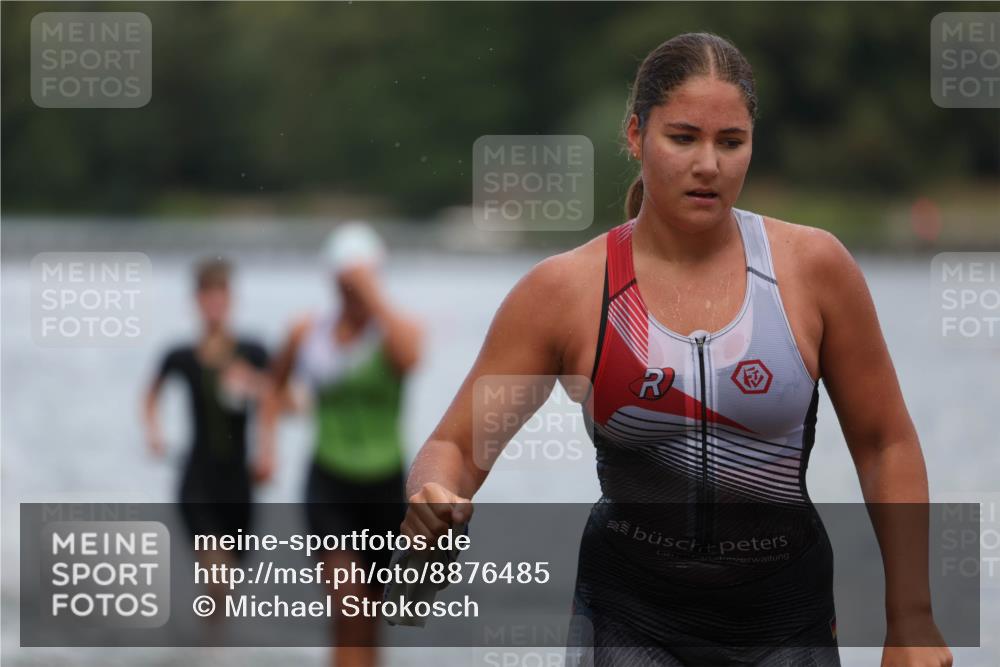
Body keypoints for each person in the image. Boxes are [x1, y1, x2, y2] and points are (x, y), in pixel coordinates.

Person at [401, 33, 953, 667]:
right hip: (631, 615)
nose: (709, 165)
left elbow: (886, 444)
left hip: (783, 614)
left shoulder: (813, 269)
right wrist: (433, 498)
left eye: (731, 142)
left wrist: (911, 619)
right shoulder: (567, 291)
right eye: (683, 138)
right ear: (636, 136)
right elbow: (455, 448)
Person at [258, 222, 424, 667]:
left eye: (361, 280)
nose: (351, 290)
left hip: (385, 485)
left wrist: (372, 295)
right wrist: (267, 449)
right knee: (346, 604)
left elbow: (410, 359)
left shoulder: (394, 332)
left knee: (371, 617)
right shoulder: (307, 331)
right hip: (329, 482)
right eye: (345, 281)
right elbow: (271, 389)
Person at [143, 257, 270, 614]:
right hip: (197, 479)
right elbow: (150, 395)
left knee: (228, 581)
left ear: (231, 300)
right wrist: (154, 433)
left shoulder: (253, 352)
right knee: (216, 574)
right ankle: (212, 653)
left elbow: (286, 401)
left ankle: (210, 645)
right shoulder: (181, 355)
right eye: (207, 296)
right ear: (196, 301)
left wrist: (267, 450)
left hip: (239, 483)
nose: (214, 305)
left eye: (221, 296)